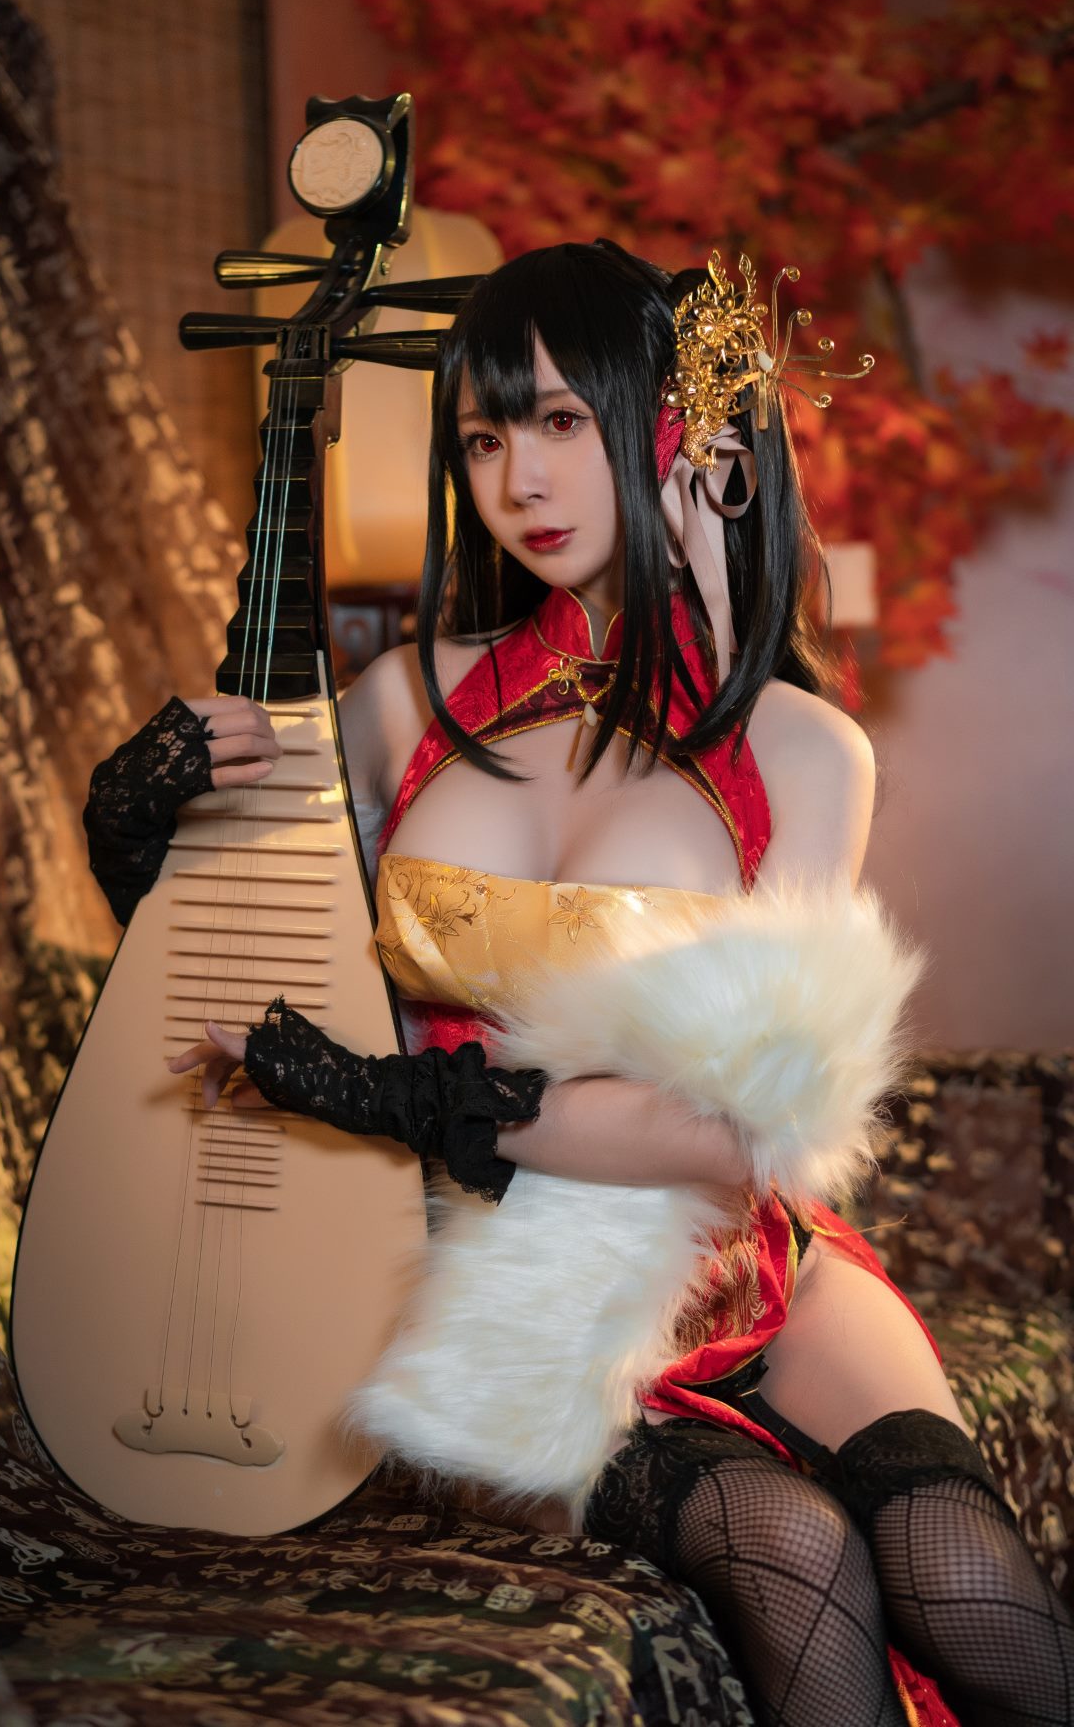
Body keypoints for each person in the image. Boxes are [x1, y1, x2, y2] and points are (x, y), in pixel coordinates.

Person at [86, 240, 1073, 1727]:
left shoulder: (803, 750)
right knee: (788, 1545)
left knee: (966, 1574)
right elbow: (232, 966)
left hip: (747, 1259)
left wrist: (394, 1095)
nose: (520, 480)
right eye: (484, 439)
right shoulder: (402, 703)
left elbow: (735, 1140)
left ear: (671, 434)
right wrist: (135, 826)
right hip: (492, 1277)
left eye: (560, 421)